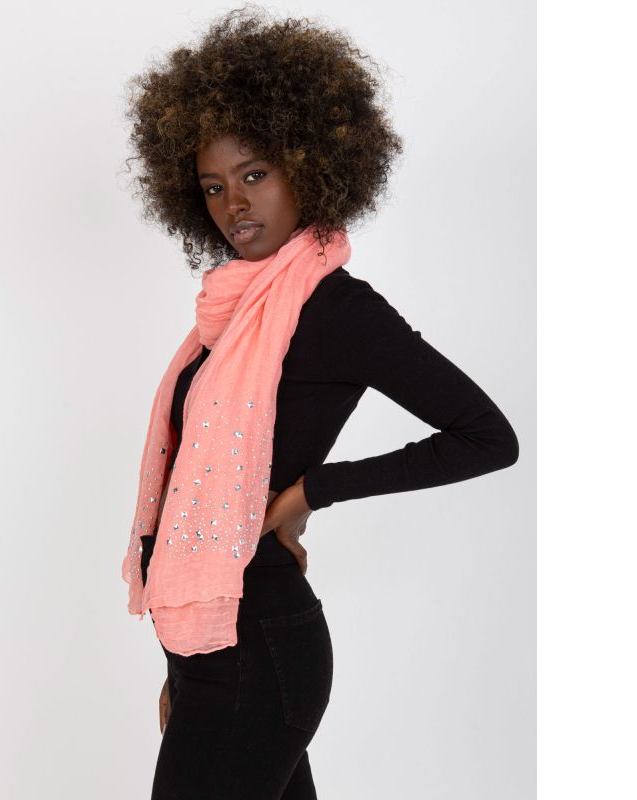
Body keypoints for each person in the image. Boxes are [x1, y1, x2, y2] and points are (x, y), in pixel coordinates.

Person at [120, 7, 519, 799]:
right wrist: (181, 668)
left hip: (258, 653)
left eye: (255, 174)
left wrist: (312, 491)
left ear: (310, 164)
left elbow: (487, 436)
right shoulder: (228, 318)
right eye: (213, 187)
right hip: (215, 650)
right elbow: (194, 502)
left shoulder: (336, 309)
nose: (233, 204)